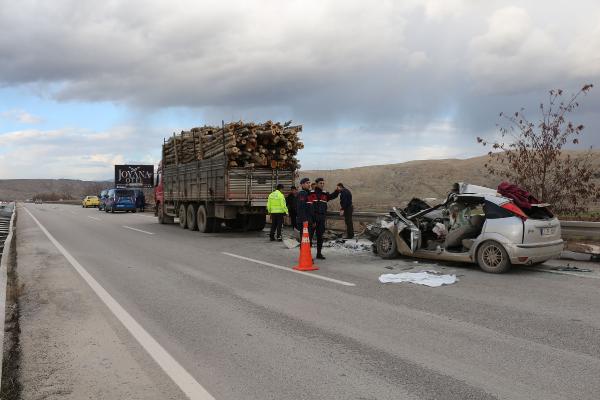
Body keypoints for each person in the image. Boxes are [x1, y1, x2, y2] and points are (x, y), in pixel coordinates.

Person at [308, 178, 339, 260]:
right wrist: (312, 220)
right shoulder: (310, 193)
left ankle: (319, 253)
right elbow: (309, 208)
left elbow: (332, 196)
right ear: (316, 184)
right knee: (309, 238)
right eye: (320, 183)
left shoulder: (325, 194)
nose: (322, 184)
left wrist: (337, 191)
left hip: (321, 219)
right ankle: (308, 255)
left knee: (320, 237)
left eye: (323, 183)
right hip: (312, 219)